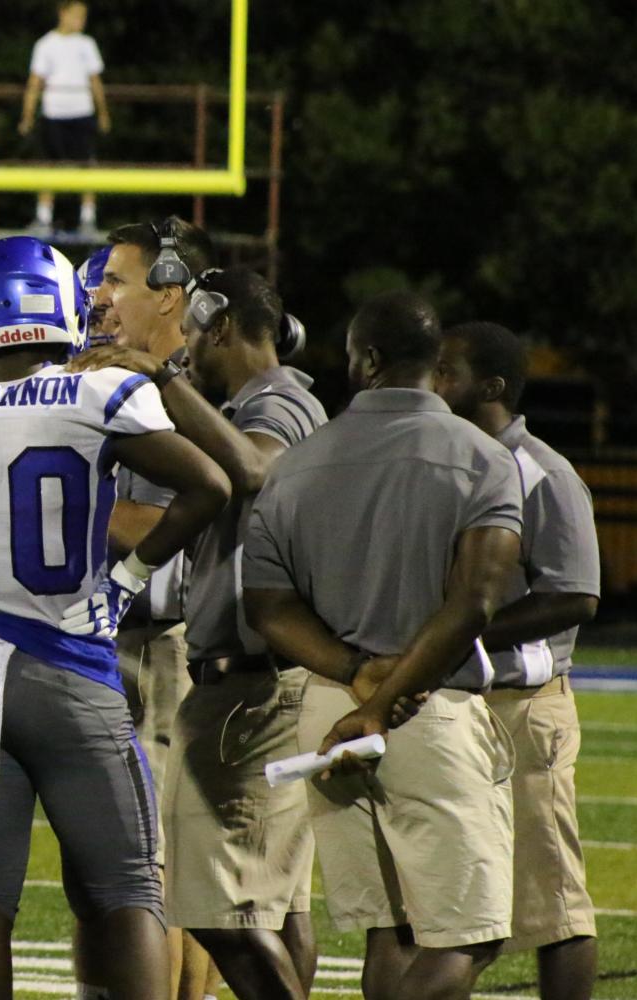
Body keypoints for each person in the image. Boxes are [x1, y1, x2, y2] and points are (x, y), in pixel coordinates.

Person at [0, 236, 230, 1000]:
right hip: (66, 658)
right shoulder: (92, 393)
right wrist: (127, 580)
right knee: (128, 885)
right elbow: (210, 486)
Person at [241, 291, 523, 1000]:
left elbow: (268, 607)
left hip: (329, 709)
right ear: (434, 364)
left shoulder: (297, 466)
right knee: (469, 934)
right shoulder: (483, 458)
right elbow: (474, 601)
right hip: (424, 710)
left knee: (389, 930)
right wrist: (385, 697)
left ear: (366, 361)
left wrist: (356, 675)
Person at [77, 267, 327, 1000]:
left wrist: (160, 380)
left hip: (253, 684)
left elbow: (251, 469)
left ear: (222, 324)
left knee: (223, 907)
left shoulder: (278, 402)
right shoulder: (265, 401)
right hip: (255, 675)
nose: (186, 347)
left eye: (193, 332)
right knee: (272, 904)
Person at [435, 321, 600, 1000]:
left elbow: (577, 594)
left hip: (524, 708)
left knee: (552, 905)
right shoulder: (450, 460)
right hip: (461, 706)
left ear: (492, 387)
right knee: (457, 902)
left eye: (448, 371)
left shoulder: (543, 470)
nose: (435, 382)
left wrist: (465, 634)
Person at [88, 218, 219, 1000]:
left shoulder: (197, 389)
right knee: (139, 864)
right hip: (118, 641)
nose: (99, 297)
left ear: (169, 295)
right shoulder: (108, 372)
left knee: (154, 866)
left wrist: (49, 511)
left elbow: (180, 519)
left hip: (166, 645)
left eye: (116, 281)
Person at [19, 0, 110, 233]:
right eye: (77, 15)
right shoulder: (45, 44)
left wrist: (103, 112)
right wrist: (27, 115)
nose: (81, 21)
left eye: (84, 16)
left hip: (82, 112)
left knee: (87, 165)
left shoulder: (87, 44)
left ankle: (88, 218)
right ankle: (44, 218)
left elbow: (95, 82)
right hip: (54, 112)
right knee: (49, 165)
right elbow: (35, 82)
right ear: (62, 14)